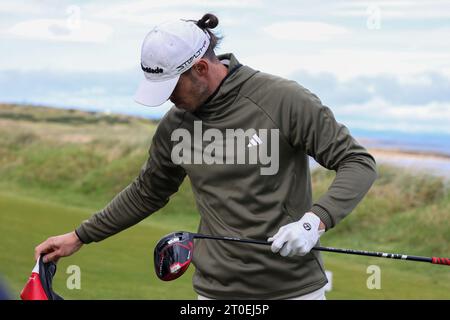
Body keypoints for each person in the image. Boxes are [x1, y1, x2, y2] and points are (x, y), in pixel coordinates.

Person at [35, 13, 377, 300]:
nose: (168, 99)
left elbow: (357, 162)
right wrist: (80, 235)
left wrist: (313, 222)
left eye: (172, 88)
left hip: (291, 290)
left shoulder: (282, 100)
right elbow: (147, 191)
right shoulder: (176, 124)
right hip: (213, 291)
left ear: (200, 68)